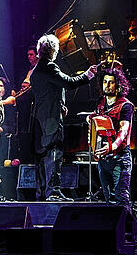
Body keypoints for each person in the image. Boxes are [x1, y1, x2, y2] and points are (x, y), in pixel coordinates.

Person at [30, 34, 97, 201]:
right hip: (50, 118)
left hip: (42, 115)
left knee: (45, 153)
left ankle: (44, 193)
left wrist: (60, 104)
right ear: (53, 50)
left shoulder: (37, 69)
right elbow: (68, 82)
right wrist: (88, 75)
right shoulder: (49, 67)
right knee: (54, 152)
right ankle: (53, 192)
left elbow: (48, 92)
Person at [87, 68, 134, 206]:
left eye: (111, 82)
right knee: (109, 200)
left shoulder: (126, 105)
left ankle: (127, 226)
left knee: (120, 199)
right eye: (105, 82)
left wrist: (112, 147)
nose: (107, 85)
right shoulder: (101, 103)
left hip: (120, 158)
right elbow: (96, 120)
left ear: (118, 85)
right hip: (104, 158)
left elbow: (124, 130)